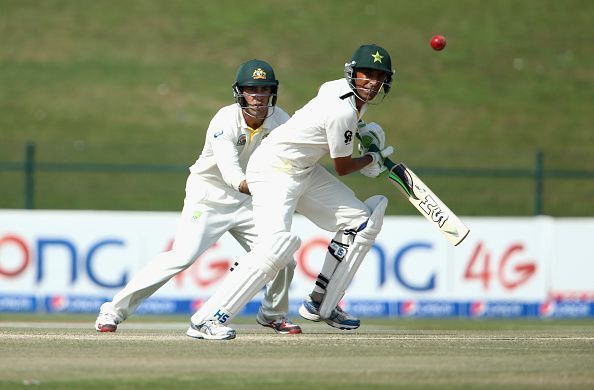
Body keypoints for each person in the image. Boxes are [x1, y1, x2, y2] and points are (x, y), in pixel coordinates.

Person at [188, 44, 395, 337]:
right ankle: (207, 320)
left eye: (379, 76)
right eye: (366, 74)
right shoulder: (342, 111)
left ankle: (322, 303)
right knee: (275, 247)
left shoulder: (336, 90)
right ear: (352, 73)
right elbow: (343, 165)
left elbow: (338, 128)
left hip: (303, 169)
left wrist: (362, 133)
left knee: (360, 222)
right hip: (273, 171)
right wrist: (373, 158)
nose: (372, 82)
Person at [94, 59, 302, 339]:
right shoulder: (224, 121)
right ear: (240, 92)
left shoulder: (282, 122)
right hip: (209, 196)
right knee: (182, 256)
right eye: (252, 90)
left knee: (283, 257)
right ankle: (112, 311)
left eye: (265, 90)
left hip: (249, 202)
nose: (258, 96)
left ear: (273, 92)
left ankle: (273, 314)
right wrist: (268, 189)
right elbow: (231, 173)